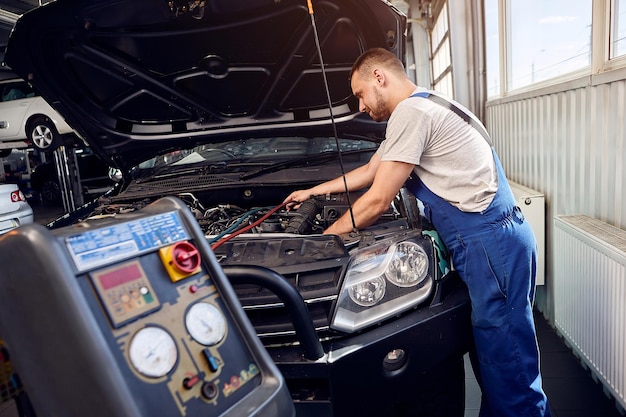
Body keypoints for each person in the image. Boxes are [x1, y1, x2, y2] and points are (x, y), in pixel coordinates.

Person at [283, 47, 551, 417]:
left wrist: (320, 245)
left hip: (490, 242)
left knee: (509, 361)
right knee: (493, 351)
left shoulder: (411, 112)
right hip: (492, 240)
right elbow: (371, 171)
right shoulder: (427, 104)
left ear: (379, 77)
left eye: (360, 94)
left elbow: (377, 199)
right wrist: (313, 192)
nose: (361, 107)